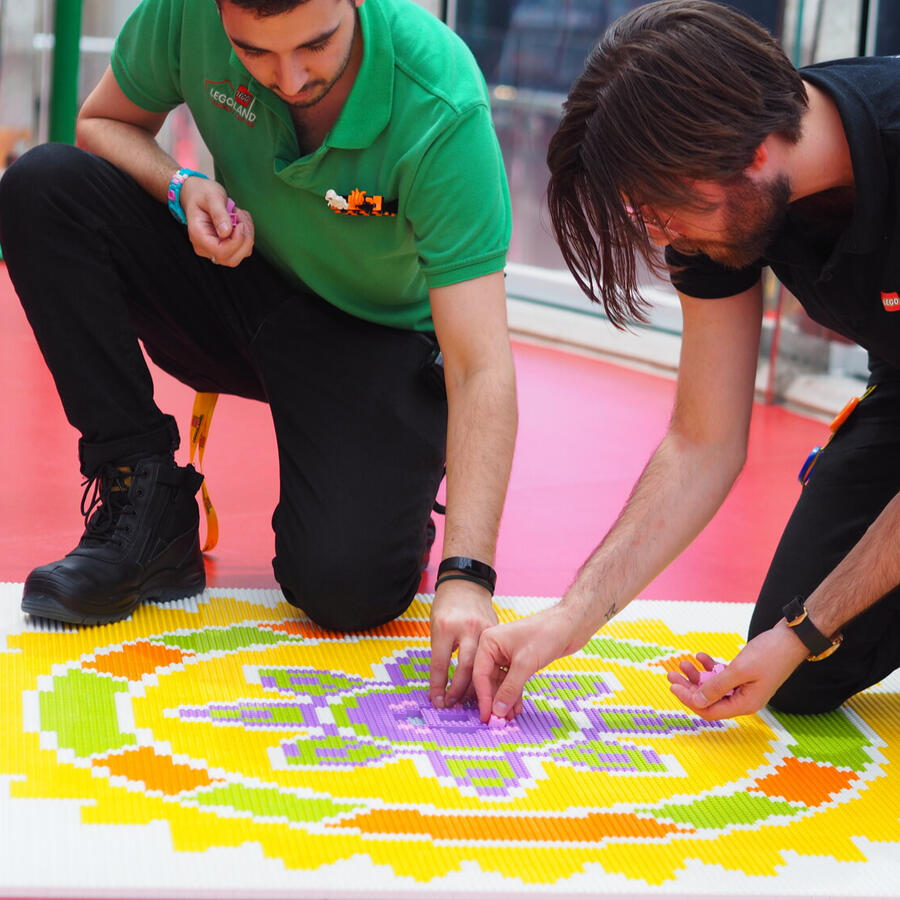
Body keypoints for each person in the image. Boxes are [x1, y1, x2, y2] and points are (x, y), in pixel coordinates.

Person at [0, 0, 517, 708]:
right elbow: (102, 121)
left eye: (317, 44)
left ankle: (393, 478)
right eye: (255, 53)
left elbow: (480, 363)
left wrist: (467, 575)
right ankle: (145, 496)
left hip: (373, 341)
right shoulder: (184, 14)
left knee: (344, 590)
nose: (291, 77)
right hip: (240, 282)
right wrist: (182, 187)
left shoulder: (439, 100)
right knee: (41, 187)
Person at [471, 0, 900, 722]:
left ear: (755, 150)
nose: (662, 233)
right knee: (799, 679)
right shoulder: (729, 197)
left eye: (665, 210)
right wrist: (570, 618)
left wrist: (808, 627)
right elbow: (704, 438)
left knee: (807, 635)